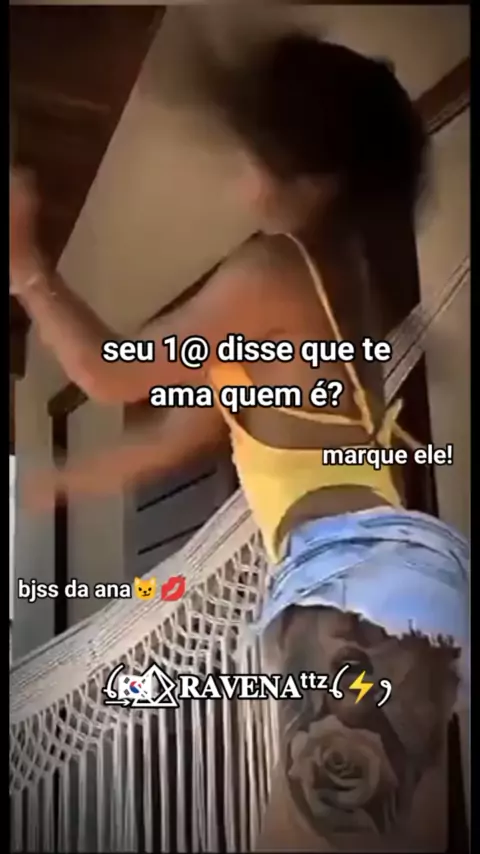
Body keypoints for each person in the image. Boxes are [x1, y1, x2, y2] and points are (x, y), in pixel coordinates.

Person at [10, 33, 469, 852]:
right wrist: (73, 482)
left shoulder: (268, 275)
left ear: (312, 179)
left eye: (259, 150)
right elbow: (181, 429)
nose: (242, 169)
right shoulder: (343, 291)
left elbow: (112, 374)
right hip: (407, 583)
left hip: (345, 591)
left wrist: (27, 271)